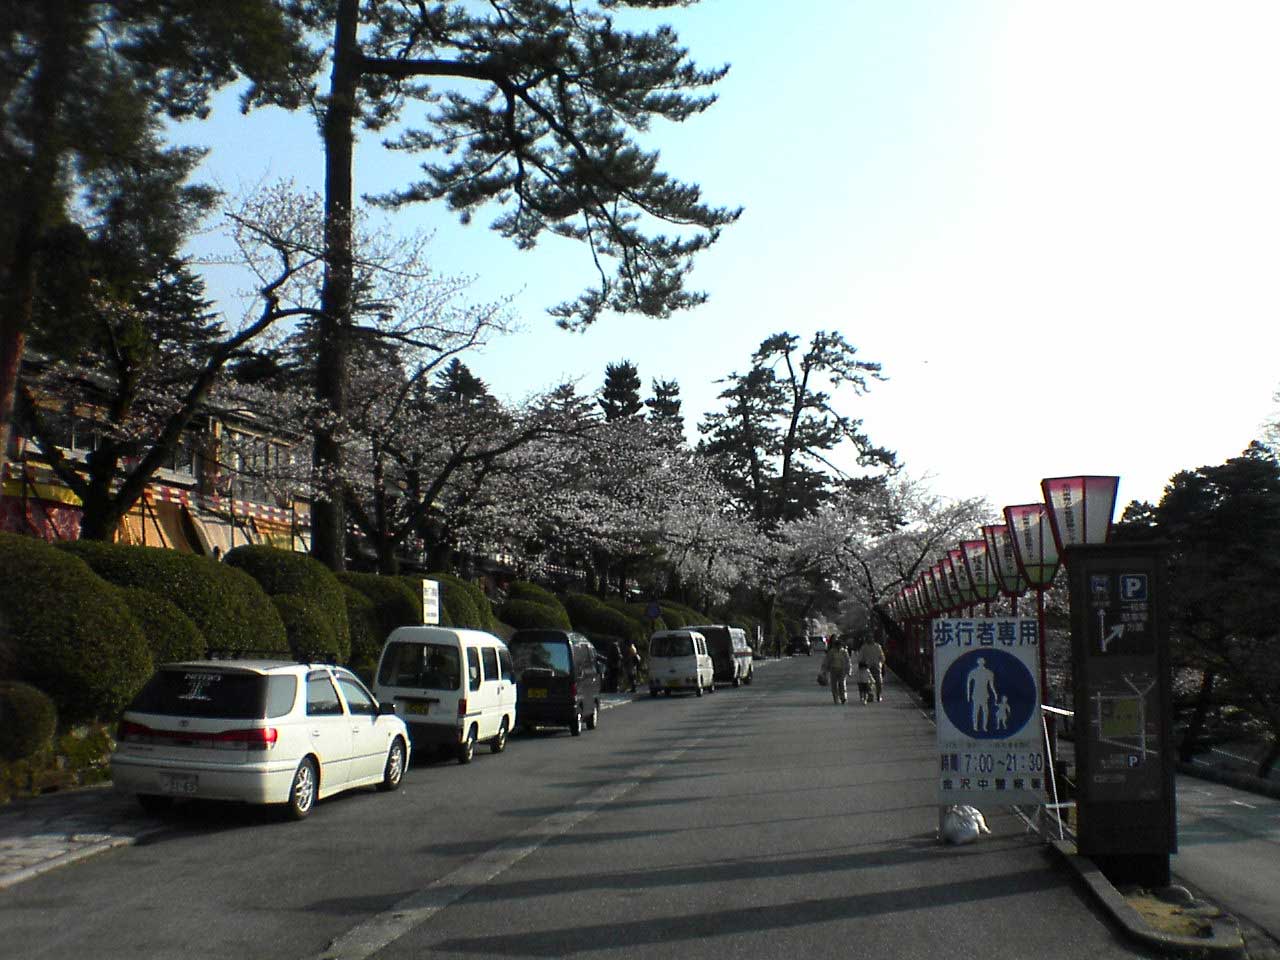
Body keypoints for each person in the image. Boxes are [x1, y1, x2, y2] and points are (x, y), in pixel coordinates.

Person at [822, 639, 853, 705]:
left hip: (842, 670)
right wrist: (825, 670)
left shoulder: (844, 652)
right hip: (833, 669)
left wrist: (849, 670)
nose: (838, 647)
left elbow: (848, 661)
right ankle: (836, 698)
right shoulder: (831, 652)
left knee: (842, 684)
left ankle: (843, 697)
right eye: (837, 645)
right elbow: (827, 661)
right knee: (834, 685)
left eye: (840, 645)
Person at [857, 635, 886, 702]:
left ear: (873, 639)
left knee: (879, 682)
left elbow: (882, 656)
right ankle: (870, 696)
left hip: (876, 667)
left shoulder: (877, 646)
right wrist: (862, 663)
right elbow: (860, 657)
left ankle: (879, 695)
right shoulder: (864, 647)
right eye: (868, 638)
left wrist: (881, 663)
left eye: (871, 638)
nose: (869, 639)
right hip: (867, 667)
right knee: (868, 683)